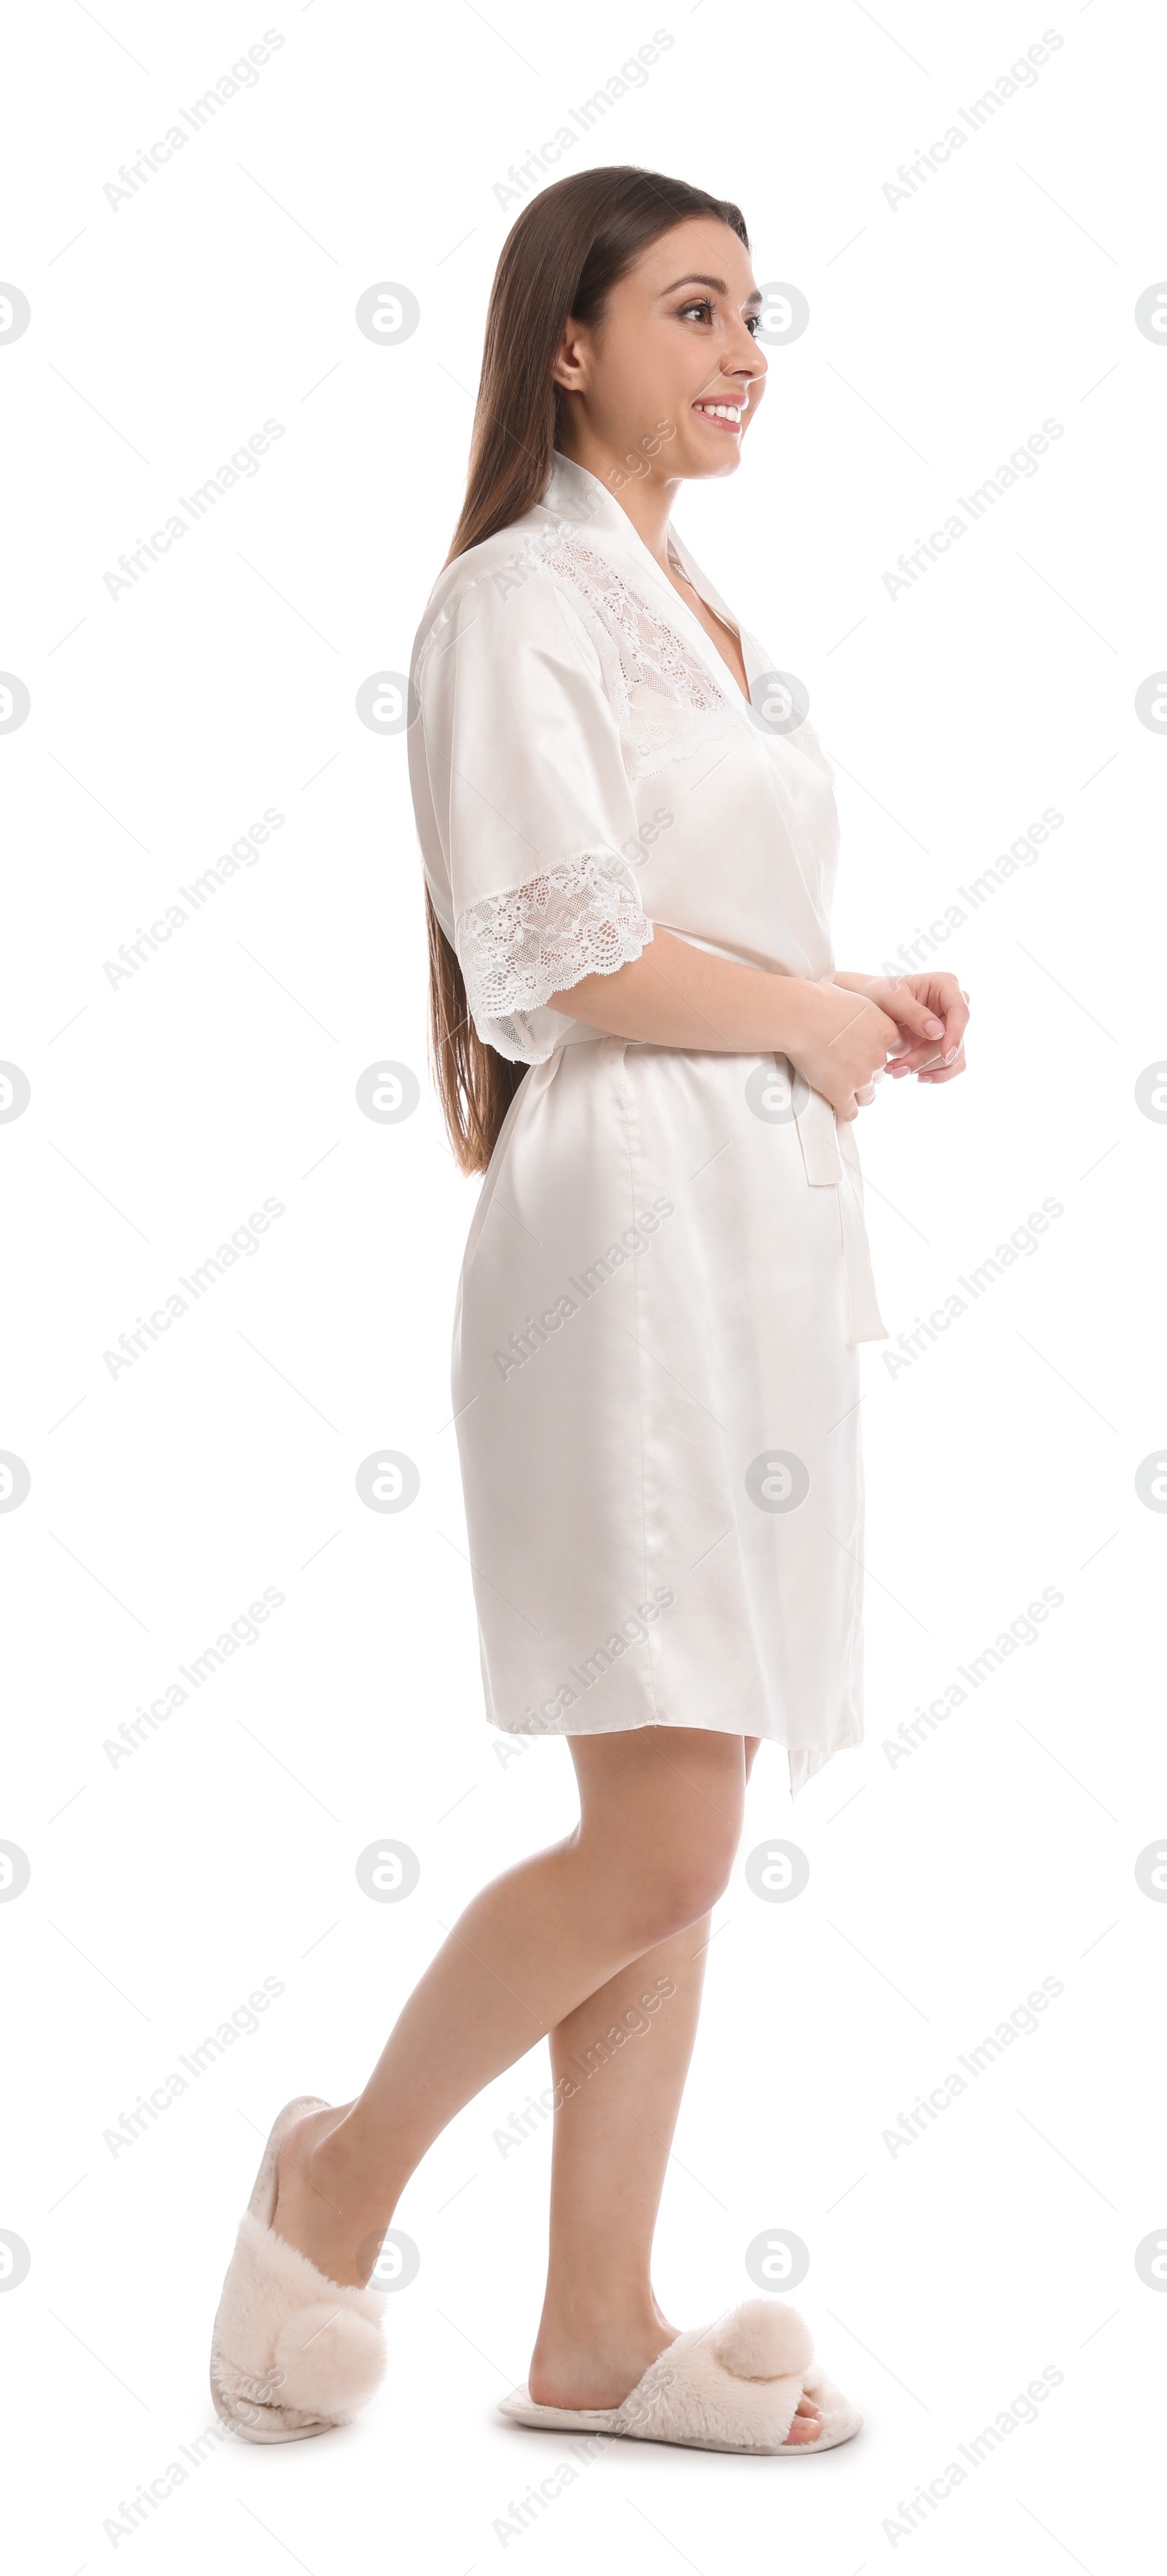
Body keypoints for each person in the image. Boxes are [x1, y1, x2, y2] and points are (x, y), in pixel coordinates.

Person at [209, 165, 969, 2456]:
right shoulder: (517, 601)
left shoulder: (687, 600)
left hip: (744, 1236)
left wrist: (840, 1001)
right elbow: (553, 964)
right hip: (631, 1248)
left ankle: (589, 2332)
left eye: (759, 313)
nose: (746, 350)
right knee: (663, 1830)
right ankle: (333, 2188)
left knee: (694, 1793)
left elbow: (682, 924)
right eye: (695, 308)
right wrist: (798, 1025)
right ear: (570, 342)